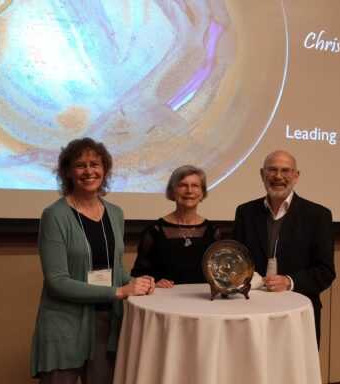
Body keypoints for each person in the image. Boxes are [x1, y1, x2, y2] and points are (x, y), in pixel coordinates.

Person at [30, 138, 155, 384]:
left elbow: (115, 268)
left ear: (104, 169)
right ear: (67, 172)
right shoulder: (54, 216)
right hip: (65, 324)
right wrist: (119, 291)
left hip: (107, 323)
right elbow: (57, 281)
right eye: (80, 165)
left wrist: (139, 283)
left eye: (95, 164)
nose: (89, 171)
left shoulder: (116, 213)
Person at [232, 150, 336, 345]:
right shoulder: (245, 213)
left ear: (296, 176)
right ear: (262, 174)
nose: (278, 176)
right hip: (251, 311)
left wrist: (289, 281)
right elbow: (236, 263)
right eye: (272, 170)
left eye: (286, 170)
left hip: (297, 312)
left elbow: (325, 272)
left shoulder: (318, 216)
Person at [131, 165, 221, 287]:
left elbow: (219, 274)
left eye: (195, 186)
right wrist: (155, 284)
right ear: (172, 191)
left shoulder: (213, 231)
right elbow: (139, 274)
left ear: (202, 193)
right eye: (183, 185)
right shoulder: (153, 231)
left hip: (204, 302)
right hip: (164, 302)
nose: (189, 191)